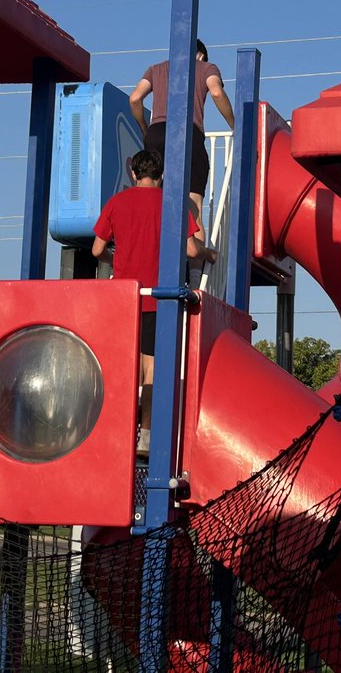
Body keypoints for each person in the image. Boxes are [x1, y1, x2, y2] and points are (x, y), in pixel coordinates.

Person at [91, 150, 215, 451]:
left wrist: (116, 259)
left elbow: (96, 250)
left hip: (126, 298)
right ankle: (145, 436)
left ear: (133, 173)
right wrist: (210, 253)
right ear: (162, 175)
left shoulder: (116, 202)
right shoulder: (172, 203)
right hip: (160, 298)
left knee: (124, 367)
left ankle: (118, 432)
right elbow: (191, 250)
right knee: (152, 369)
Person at [129, 39, 235, 226]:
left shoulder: (155, 69)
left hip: (156, 133)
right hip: (188, 134)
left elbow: (135, 99)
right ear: (200, 55)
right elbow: (217, 92)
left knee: (154, 200)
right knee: (194, 208)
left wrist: (146, 129)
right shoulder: (206, 67)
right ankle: (195, 246)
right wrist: (236, 126)